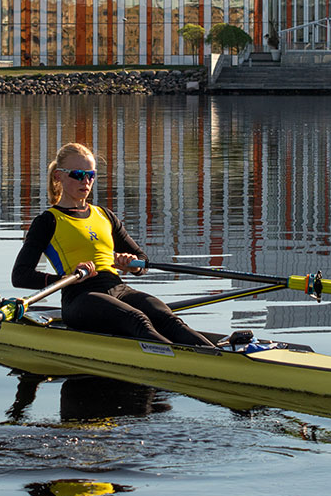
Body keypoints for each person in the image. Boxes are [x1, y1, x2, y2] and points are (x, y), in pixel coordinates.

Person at [12, 141, 234, 348]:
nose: (86, 182)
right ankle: (179, 359)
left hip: (118, 288)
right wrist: (63, 279)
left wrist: (132, 265)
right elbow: (20, 275)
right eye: (78, 175)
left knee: (167, 318)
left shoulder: (104, 215)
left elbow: (143, 261)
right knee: (137, 319)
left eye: (91, 175)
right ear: (59, 176)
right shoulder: (48, 221)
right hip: (80, 297)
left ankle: (217, 356)